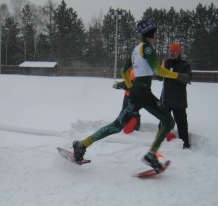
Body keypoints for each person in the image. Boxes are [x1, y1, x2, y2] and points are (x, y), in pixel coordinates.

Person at [72, 20, 190, 172]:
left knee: (168, 122)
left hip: (142, 94)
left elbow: (123, 71)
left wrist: (130, 86)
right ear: (150, 33)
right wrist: (178, 75)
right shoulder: (147, 49)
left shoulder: (136, 49)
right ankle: (81, 144)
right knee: (119, 126)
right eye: (155, 32)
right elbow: (159, 71)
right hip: (141, 95)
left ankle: (151, 155)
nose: (157, 34)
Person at [159, 43, 192, 149]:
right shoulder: (166, 62)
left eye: (174, 51)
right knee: (163, 121)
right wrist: (161, 67)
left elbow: (188, 78)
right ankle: (161, 141)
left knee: (181, 123)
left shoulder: (184, 64)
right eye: (171, 50)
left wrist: (174, 75)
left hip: (179, 100)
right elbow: (159, 78)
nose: (172, 53)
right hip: (166, 98)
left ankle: (185, 143)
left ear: (178, 52)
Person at [113, 69, 141, 133]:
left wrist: (120, 85)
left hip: (135, 95)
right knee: (125, 111)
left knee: (134, 113)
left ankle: (135, 130)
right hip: (128, 94)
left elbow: (134, 83)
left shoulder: (141, 70)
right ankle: (125, 126)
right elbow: (128, 81)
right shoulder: (132, 69)